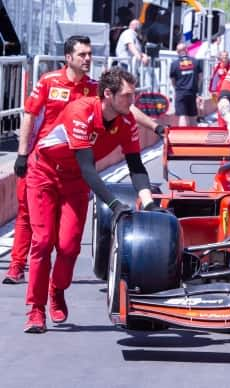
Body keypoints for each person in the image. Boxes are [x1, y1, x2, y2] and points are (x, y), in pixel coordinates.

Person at [3, 35, 165, 286]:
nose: (88, 58)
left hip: (77, 161)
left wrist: (154, 126)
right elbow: (29, 115)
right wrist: (23, 154)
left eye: (90, 54)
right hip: (44, 156)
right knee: (27, 214)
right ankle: (16, 266)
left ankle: (54, 280)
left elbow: (126, 107)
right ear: (68, 58)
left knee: (64, 236)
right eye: (83, 54)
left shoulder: (94, 88)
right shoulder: (48, 81)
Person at [23, 68, 164, 333]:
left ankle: (57, 289)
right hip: (44, 173)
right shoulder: (81, 112)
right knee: (42, 242)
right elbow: (90, 169)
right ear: (108, 95)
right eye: (126, 96)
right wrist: (114, 205)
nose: (131, 102)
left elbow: (136, 167)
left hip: (75, 183)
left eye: (133, 95)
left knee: (68, 247)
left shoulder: (127, 122)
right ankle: (35, 310)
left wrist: (148, 203)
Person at [169, 42, 203, 126]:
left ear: (177, 52)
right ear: (187, 50)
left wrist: (176, 89)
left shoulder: (174, 64)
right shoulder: (195, 61)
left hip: (180, 92)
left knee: (183, 116)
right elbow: (200, 77)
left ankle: (183, 137)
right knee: (192, 116)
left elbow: (173, 80)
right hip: (192, 92)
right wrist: (196, 89)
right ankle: (194, 136)